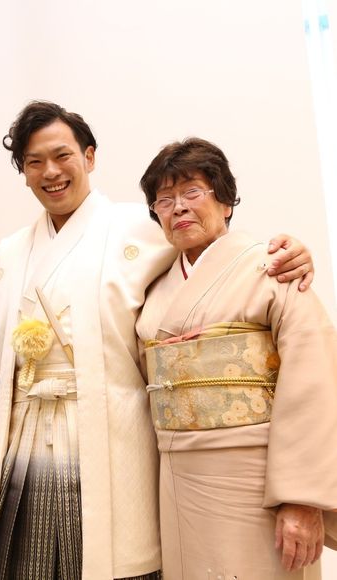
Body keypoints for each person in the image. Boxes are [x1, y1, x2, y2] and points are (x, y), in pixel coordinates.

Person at [0, 101, 314, 580]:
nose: (50, 172)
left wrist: (289, 253)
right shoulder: (9, 254)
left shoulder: (139, 227)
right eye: (34, 162)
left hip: (114, 433)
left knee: (113, 558)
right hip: (26, 434)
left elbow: (213, 252)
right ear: (23, 172)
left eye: (62, 155)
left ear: (89, 157)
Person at [136, 137, 337, 579]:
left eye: (192, 192)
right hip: (177, 475)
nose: (178, 207)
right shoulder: (152, 287)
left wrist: (301, 498)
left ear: (226, 201)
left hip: (255, 479)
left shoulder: (273, 269)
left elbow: (315, 386)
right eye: (164, 200)